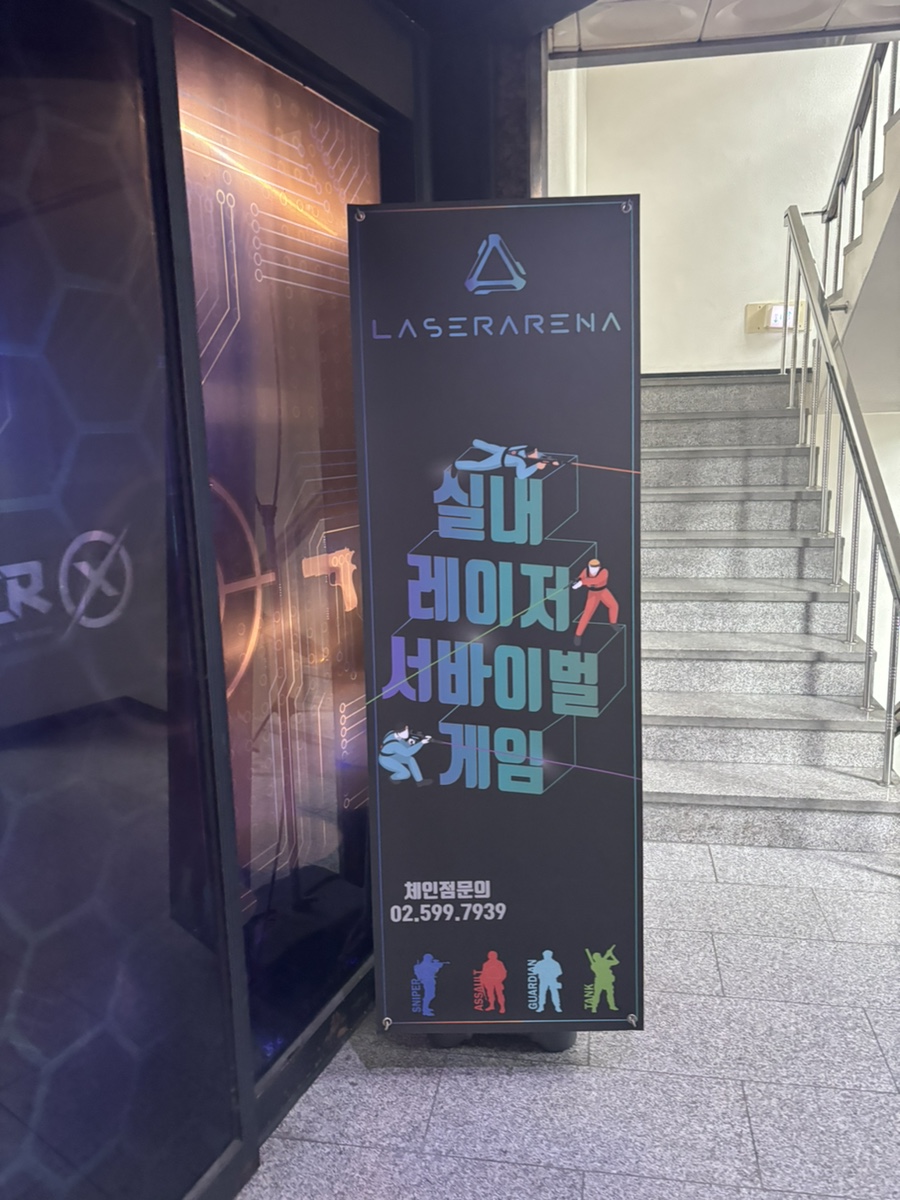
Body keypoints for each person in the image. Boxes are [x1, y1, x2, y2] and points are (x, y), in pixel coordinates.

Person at [571, 558, 618, 646]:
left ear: (599, 566)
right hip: (592, 594)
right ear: (589, 566)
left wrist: (582, 582)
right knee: (587, 614)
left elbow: (596, 580)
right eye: (592, 566)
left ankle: (613, 623)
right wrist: (576, 581)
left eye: (596, 566)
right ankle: (578, 635)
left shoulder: (604, 571)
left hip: (603, 592)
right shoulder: (586, 570)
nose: (594, 568)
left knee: (614, 605)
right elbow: (581, 577)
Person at [454, 440, 556, 480]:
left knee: (487, 446)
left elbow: (538, 454)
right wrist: (535, 467)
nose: (536, 455)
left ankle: (474, 442)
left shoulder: (525, 447)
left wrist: (550, 460)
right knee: (480, 465)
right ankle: (457, 465)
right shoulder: (520, 461)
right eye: (533, 454)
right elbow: (521, 476)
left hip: (501, 449)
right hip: (499, 459)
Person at [585, 946, 619, 1013]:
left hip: (607, 981)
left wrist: (610, 955)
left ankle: (612, 1006)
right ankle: (594, 1007)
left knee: (610, 994)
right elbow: (614, 962)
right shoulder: (594, 965)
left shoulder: (603, 962)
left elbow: (616, 962)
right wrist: (609, 955)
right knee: (597, 995)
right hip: (599, 981)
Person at [532, 949, 563, 1013]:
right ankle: (541, 1006)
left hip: (552, 980)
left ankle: (557, 1006)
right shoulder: (540, 963)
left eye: (548, 955)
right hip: (543, 980)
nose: (547, 956)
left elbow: (559, 972)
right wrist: (541, 972)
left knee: (554, 993)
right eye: (546, 955)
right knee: (542, 993)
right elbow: (535, 971)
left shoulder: (555, 963)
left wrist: (552, 975)